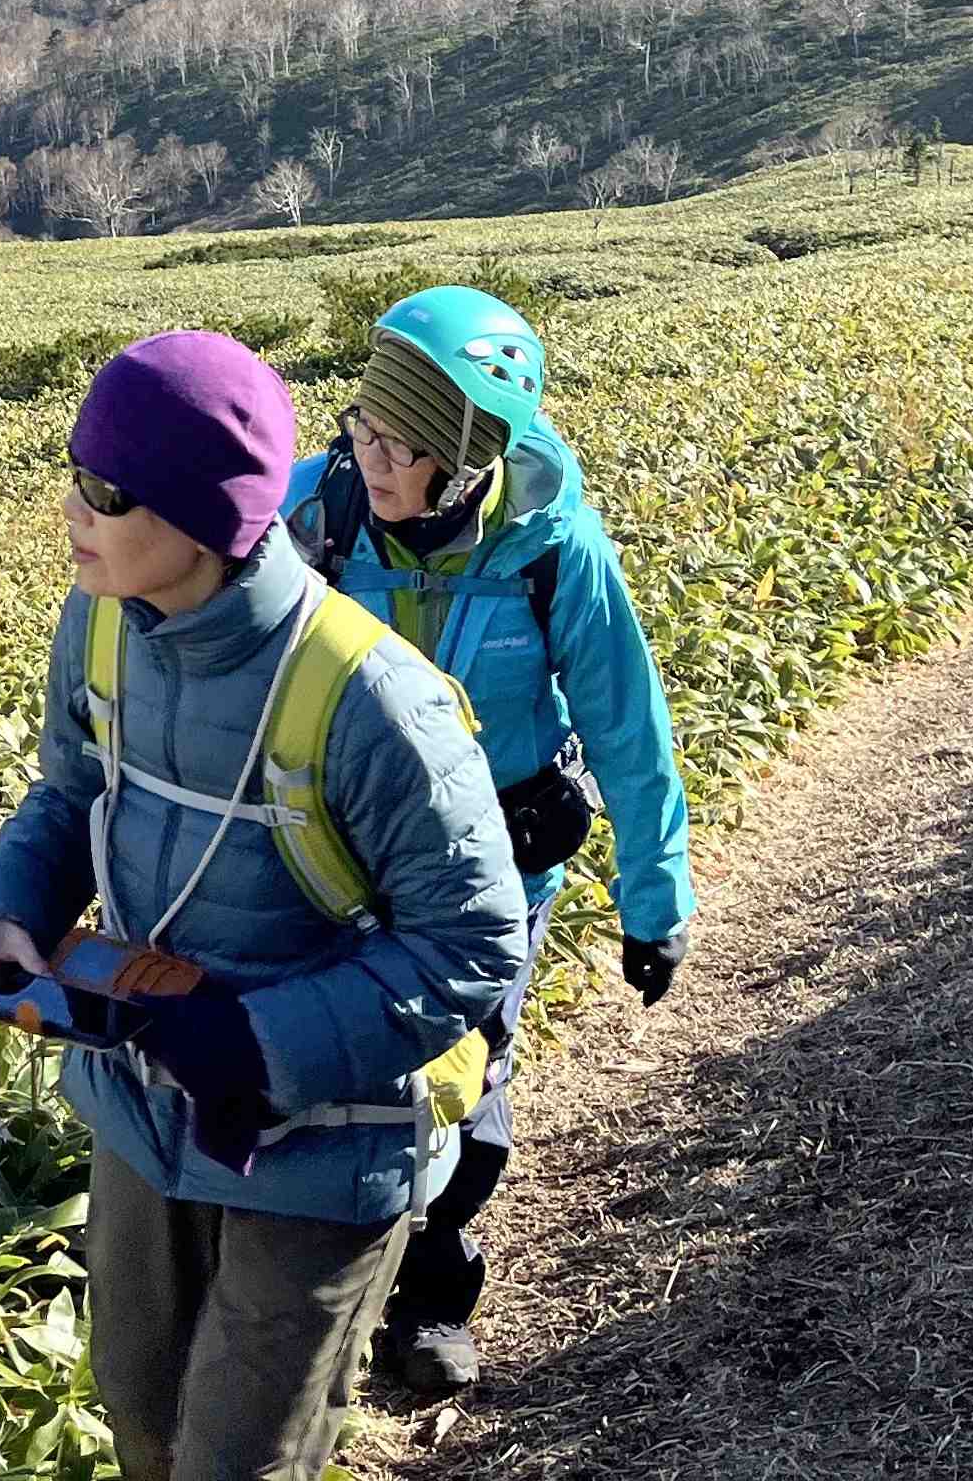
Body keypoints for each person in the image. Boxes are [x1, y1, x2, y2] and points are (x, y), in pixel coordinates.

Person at [0, 330, 528, 1481]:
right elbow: (70, 793)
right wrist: (8, 910)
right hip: (141, 1106)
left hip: (327, 1143)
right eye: (75, 474)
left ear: (205, 518)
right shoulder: (103, 618)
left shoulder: (375, 701)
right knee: (143, 1418)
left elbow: (475, 944)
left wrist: (259, 1044)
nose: (73, 510)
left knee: (238, 1460)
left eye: (107, 491)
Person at [278, 288, 693, 1396]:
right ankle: (317, 1285)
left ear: (467, 457)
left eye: (400, 444)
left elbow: (626, 725)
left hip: (498, 858)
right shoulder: (317, 514)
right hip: (343, 848)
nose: (370, 458)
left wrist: (655, 901)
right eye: (363, 428)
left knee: (467, 1071)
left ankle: (431, 1296)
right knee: (333, 1056)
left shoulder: (553, 549)